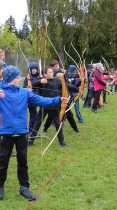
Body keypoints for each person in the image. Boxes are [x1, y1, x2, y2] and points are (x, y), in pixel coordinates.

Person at [0, 65, 67, 201]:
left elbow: (41, 100)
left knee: (23, 162)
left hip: (22, 133)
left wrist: (58, 99)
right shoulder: (1, 92)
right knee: (2, 162)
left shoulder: (25, 92)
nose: (19, 78)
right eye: (17, 76)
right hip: (5, 133)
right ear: (12, 78)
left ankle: (24, 187)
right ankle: (0, 187)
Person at [29, 67, 66, 146]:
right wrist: (40, 81)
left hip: (54, 106)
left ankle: (62, 142)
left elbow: (65, 86)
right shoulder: (43, 80)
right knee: (37, 123)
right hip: (44, 105)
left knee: (57, 124)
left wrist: (78, 87)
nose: (51, 73)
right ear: (45, 74)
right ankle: (31, 141)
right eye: (49, 72)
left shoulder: (57, 80)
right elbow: (31, 85)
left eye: (52, 72)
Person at [23, 63, 41, 134]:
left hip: (37, 99)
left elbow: (41, 87)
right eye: (32, 69)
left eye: (35, 69)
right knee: (33, 116)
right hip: (30, 100)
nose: (34, 70)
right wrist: (28, 87)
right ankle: (31, 131)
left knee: (35, 116)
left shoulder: (39, 77)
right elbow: (24, 87)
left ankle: (32, 130)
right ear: (30, 70)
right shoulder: (28, 78)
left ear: (37, 69)